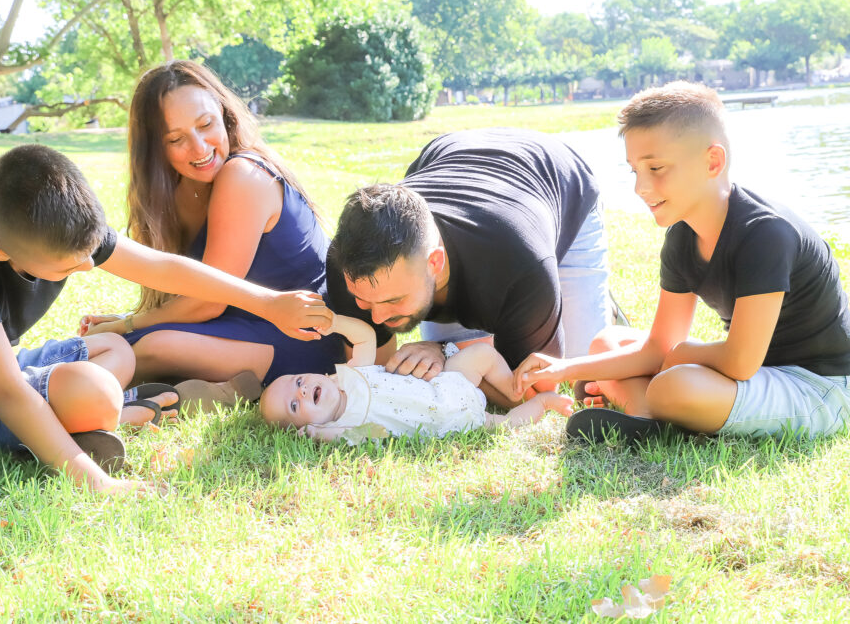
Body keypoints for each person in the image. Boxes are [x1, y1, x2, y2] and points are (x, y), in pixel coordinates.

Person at [0, 144, 332, 496]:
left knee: (117, 350)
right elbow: (6, 390)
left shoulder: (61, 225)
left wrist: (267, 303)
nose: (87, 267)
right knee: (90, 388)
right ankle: (113, 416)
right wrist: (98, 484)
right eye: (69, 267)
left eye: (90, 255)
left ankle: (103, 417)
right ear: (1, 254)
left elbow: (165, 268)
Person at [514, 81, 850, 442]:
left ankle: (642, 403)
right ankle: (649, 415)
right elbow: (659, 347)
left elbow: (739, 361)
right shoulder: (682, 236)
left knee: (674, 385)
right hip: (752, 375)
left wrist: (685, 353)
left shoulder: (764, 234)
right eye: (635, 171)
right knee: (607, 342)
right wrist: (566, 367)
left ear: (713, 161)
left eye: (656, 168)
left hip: (817, 387)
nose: (640, 187)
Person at [80, 60, 342, 393]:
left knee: (150, 347)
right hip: (239, 325)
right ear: (156, 148)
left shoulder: (242, 175)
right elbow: (192, 292)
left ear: (224, 113)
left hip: (303, 338)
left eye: (206, 124)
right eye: (176, 140)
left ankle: (66, 390)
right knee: (128, 346)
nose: (200, 148)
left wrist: (125, 326)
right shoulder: (178, 191)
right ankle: (217, 386)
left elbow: (208, 302)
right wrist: (126, 323)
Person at [326, 128, 610, 408]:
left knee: (585, 383)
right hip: (452, 154)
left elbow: (534, 390)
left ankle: (580, 304)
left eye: (394, 300)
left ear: (434, 262)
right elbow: (374, 383)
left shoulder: (521, 266)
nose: (377, 316)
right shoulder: (347, 263)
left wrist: (444, 353)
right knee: (453, 376)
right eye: (363, 300)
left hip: (557, 179)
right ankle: (543, 315)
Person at [260, 314, 573, 442]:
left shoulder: (351, 375)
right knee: (504, 426)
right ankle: (543, 403)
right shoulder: (343, 426)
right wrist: (315, 434)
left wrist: (335, 322)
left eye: (299, 381)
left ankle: (513, 389)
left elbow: (367, 338)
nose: (301, 392)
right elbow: (343, 438)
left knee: (483, 355)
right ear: (307, 426)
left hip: (446, 384)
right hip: (450, 425)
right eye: (294, 405)